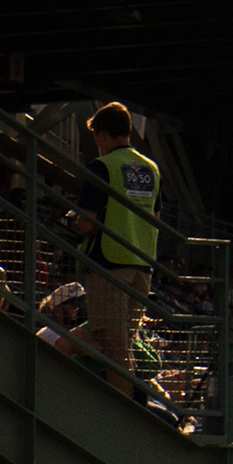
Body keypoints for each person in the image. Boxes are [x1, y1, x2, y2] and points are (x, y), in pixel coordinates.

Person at [64, 102, 161, 376]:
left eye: (96, 137)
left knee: (113, 348)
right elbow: (156, 216)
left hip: (109, 263)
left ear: (102, 134)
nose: (96, 143)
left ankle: (124, 409)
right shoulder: (151, 168)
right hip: (143, 266)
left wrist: (73, 220)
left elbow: (86, 221)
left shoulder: (102, 166)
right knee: (124, 345)